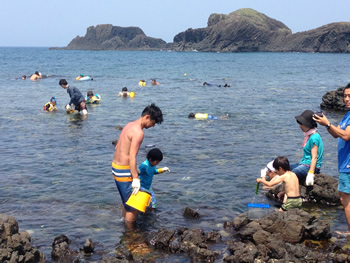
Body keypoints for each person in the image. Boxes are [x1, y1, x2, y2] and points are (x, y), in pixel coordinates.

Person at [112, 103, 163, 224]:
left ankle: (123, 223)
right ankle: (130, 236)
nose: (153, 126)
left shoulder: (129, 125)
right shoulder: (139, 133)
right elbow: (132, 157)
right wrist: (135, 178)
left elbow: (117, 147)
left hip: (115, 167)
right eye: (153, 122)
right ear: (147, 117)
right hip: (123, 172)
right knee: (133, 207)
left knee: (127, 202)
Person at [314, 83, 350, 234]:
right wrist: (326, 124)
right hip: (345, 164)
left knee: (345, 198)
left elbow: (346, 135)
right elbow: (337, 134)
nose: (346, 99)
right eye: (345, 96)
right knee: (344, 197)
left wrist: (328, 123)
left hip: (349, 165)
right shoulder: (347, 115)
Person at [291, 110, 323, 186]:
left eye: (302, 124)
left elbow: (314, 157)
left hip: (310, 166)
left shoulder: (314, 137)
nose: (300, 126)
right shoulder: (308, 136)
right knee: (283, 168)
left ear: (308, 124)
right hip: (304, 163)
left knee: (290, 175)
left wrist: (311, 173)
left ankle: (283, 190)